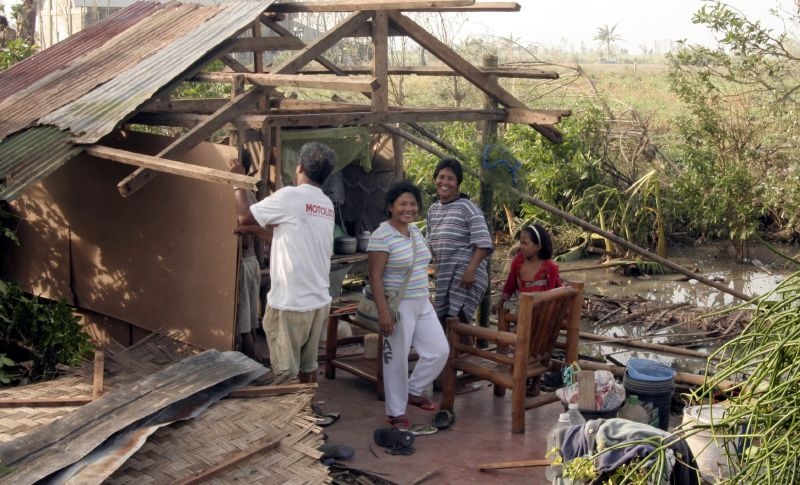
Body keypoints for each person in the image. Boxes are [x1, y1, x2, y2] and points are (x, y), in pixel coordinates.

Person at [235, 142, 337, 383]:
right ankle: (308, 415)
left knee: (284, 375)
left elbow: (244, 214)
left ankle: (291, 419)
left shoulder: (291, 196)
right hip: (318, 302)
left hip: (290, 304)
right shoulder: (325, 204)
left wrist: (237, 181)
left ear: (299, 167)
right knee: (307, 367)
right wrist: (255, 231)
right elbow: (294, 239)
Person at [367, 181, 449, 430]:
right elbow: (375, 276)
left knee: (439, 350)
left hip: (422, 301)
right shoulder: (381, 235)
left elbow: (421, 268)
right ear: (391, 207)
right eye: (402, 203)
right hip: (398, 306)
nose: (408, 208)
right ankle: (395, 412)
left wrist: (428, 299)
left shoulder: (414, 232)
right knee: (397, 360)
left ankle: (413, 390)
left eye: (412, 203)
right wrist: (384, 313)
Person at [426, 159, 493, 328]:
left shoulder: (467, 207)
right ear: (435, 179)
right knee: (443, 325)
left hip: (467, 276)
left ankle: (467, 354)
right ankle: (452, 355)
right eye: (441, 177)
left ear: (457, 184)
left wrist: (470, 270)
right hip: (444, 274)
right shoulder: (433, 210)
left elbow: (484, 243)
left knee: (458, 326)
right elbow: (428, 245)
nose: (445, 182)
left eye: (451, 178)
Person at [229, 152, 269, 361]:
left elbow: (244, 237)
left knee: (244, 321)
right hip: (251, 261)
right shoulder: (249, 192)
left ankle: (252, 362)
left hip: (244, 262)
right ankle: (256, 359)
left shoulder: (238, 194)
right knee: (251, 317)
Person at [492, 224, 562, 313]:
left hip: (543, 315)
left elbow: (558, 287)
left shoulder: (549, 267)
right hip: (522, 313)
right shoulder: (517, 263)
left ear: (538, 246)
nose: (522, 247)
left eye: (525, 243)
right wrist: (500, 303)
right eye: (521, 243)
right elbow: (510, 284)